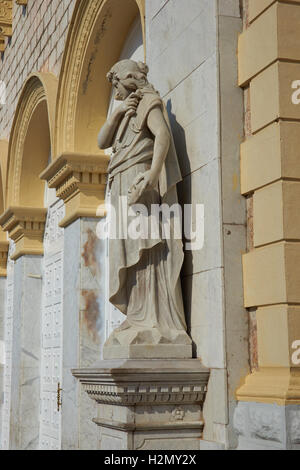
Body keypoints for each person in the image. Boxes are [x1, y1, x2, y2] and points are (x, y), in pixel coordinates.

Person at [98, 59, 191, 351]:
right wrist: (116, 116)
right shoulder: (124, 111)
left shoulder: (148, 101)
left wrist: (152, 175)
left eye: (116, 83)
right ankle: (138, 315)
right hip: (121, 184)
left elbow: (162, 135)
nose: (114, 88)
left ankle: (153, 317)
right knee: (127, 248)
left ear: (129, 80)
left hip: (139, 183)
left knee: (146, 249)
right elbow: (102, 141)